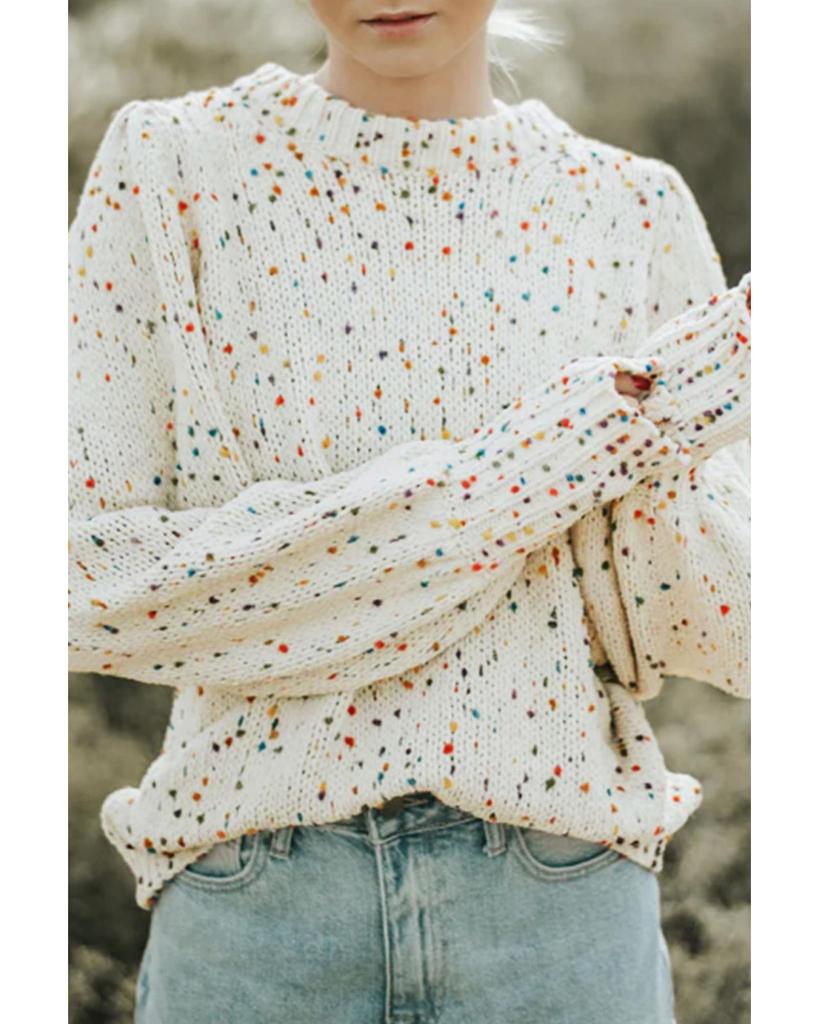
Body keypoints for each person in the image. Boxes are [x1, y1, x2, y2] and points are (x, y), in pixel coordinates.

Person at [67, 3, 750, 1022]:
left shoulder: (631, 210)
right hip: (256, 911)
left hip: (560, 908)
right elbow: (84, 582)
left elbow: (736, 622)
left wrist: (657, 438)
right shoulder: (173, 165)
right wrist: (562, 455)